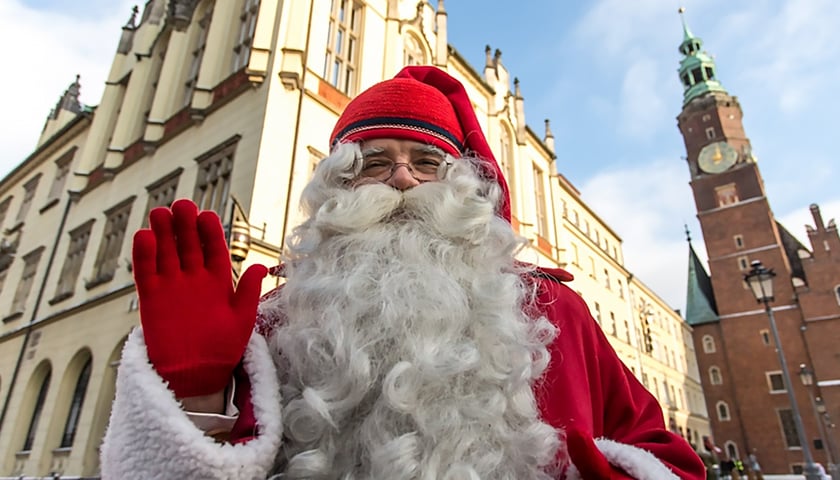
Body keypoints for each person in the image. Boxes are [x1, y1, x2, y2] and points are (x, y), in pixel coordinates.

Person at [100, 66, 705, 479]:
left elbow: (668, 454)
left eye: (426, 162)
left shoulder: (547, 311)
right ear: (338, 186)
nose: (402, 177)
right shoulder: (275, 322)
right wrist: (198, 395)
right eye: (374, 163)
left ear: (462, 187)